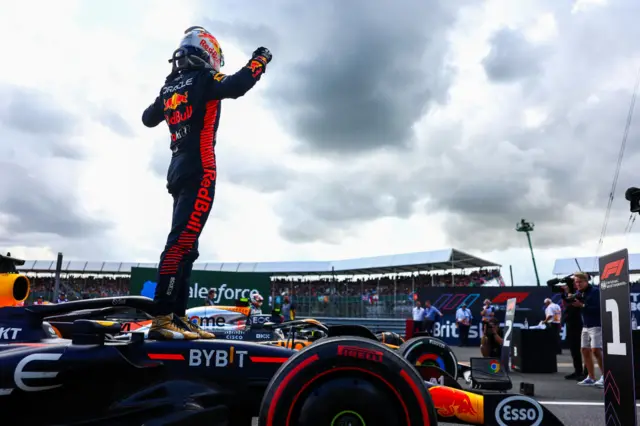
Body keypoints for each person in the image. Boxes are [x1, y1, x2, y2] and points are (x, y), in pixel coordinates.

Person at [141, 25, 271, 340]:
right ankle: (162, 317)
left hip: (175, 168)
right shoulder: (204, 79)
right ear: (209, 54)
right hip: (201, 168)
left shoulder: (169, 86)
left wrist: (170, 96)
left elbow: (148, 118)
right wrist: (260, 59)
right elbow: (238, 84)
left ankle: (177, 316)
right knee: (181, 244)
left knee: (188, 246)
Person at [572, 272, 604, 387]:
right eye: (576, 282)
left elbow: (599, 308)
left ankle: (605, 376)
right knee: (584, 350)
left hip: (596, 324)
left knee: (596, 350)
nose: (578, 284)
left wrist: (582, 305)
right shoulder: (579, 293)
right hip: (585, 325)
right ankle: (591, 377)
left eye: (580, 282)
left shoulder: (595, 292)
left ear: (586, 281)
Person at [562, 284, 586, 380]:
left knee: (584, 350)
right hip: (570, 325)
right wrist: (565, 294)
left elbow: (574, 303)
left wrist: (569, 293)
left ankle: (586, 373)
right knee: (574, 350)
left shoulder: (579, 295)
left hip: (578, 325)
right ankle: (578, 371)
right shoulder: (570, 296)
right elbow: (567, 302)